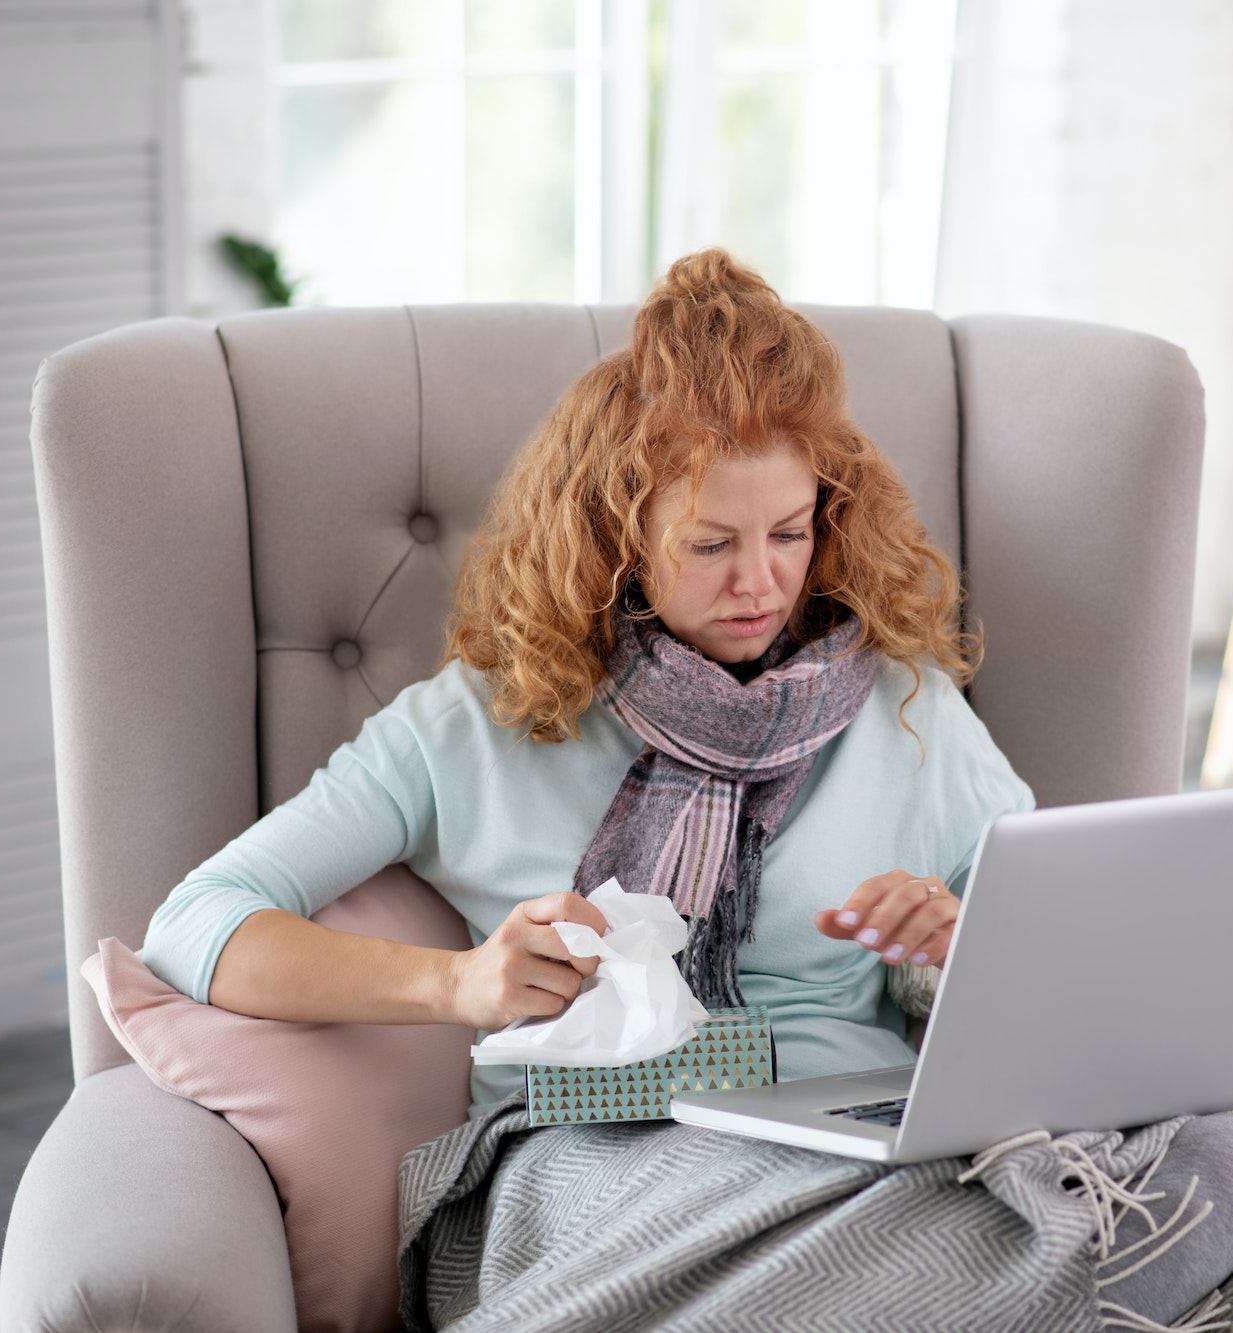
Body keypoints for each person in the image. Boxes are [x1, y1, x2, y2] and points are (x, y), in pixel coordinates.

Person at [140, 248, 1036, 1116]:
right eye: (710, 544)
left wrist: (958, 947)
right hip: (586, 1154)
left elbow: (1067, 947)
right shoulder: (477, 723)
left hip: (859, 1137)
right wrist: (455, 983)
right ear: (614, 535)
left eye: (791, 534)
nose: (758, 582)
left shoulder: (902, 704)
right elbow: (193, 924)